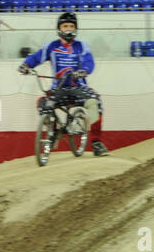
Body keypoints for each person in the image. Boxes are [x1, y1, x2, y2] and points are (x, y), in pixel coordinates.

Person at [17, 12, 108, 156]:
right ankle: (52, 132)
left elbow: (89, 62)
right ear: (59, 28)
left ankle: (96, 143)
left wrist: (83, 71)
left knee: (94, 102)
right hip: (59, 89)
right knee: (43, 103)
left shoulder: (81, 46)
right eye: (65, 26)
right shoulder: (51, 46)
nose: (69, 29)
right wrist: (26, 66)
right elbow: (36, 57)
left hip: (79, 88)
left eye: (72, 26)